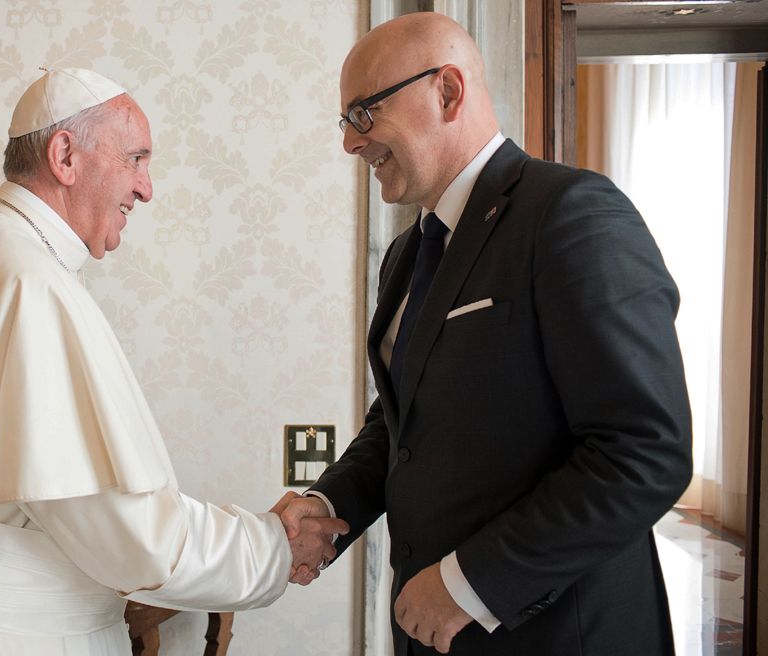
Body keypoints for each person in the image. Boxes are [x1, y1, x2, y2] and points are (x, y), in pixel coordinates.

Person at [0, 68, 347, 656]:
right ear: (64, 155)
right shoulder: (27, 282)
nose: (146, 189)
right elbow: (131, 536)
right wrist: (270, 547)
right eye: (136, 159)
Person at [276, 13, 692, 656]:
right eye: (345, 122)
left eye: (363, 113)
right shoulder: (405, 255)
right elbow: (400, 426)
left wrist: (470, 584)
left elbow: (643, 453)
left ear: (447, 91)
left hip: (560, 636)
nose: (350, 144)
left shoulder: (573, 215)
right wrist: (328, 505)